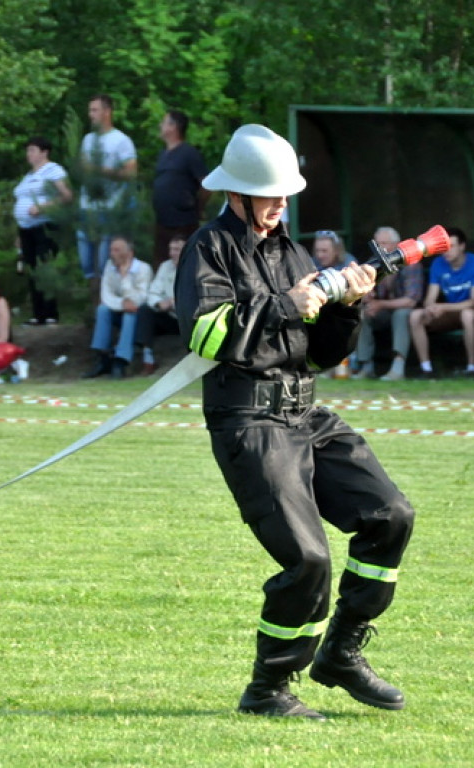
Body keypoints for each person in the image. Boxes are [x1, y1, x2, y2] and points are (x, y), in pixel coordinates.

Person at [175, 124, 415, 721]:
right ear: (237, 194)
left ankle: (341, 653)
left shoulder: (293, 251)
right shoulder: (208, 249)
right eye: (270, 195)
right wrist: (285, 305)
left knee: (390, 515)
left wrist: (349, 305)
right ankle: (268, 689)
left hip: (305, 409)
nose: (281, 205)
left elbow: (321, 353)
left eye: (286, 195)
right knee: (308, 560)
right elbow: (205, 334)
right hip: (247, 419)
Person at [76, 94, 138, 306]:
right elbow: (83, 168)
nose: (90, 115)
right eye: (90, 110)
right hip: (87, 207)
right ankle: (93, 308)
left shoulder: (121, 140)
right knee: (86, 261)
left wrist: (99, 170)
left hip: (110, 207)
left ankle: (106, 305)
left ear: (107, 111)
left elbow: (130, 173)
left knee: (105, 261)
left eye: (94, 110)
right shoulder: (88, 140)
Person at [408, 226, 474, 379]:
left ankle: (472, 368)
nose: (447, 251)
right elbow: (430, 297)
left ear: (462, 246)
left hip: (471, 312)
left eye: (452, 246)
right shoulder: (438, 263)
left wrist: (443, 307)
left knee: (468, 315)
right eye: (445, 247)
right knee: (416, 316)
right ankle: (426, 369)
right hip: (448, 312)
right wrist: (431, 307)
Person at [13, 136, 72, 326]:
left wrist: (43, 206)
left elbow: (67, 196)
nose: (28, 154)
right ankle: (38, 314)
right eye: (28, 150)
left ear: (44, 152)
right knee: (31, 268)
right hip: (26, 228)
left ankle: (50, 313)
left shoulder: (53, 171)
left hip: (44, 226)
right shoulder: (28, 176)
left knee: (44, 267)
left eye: (32, 150)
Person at [350, 227, 422, 381]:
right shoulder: (374, 262)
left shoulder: (411, 261)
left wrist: (380, 304)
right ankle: (366, 366)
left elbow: (411, 300)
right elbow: (367, 294)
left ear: (397, 244)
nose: (380, 248)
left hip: (407, 312)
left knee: (400, 315)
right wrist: (367, 296)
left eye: (384, 243)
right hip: (383, 312)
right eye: (377, 243)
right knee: (363, 312)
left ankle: (398, 368)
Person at [81, 235, 153, 379]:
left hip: (138, 315)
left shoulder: (143, 269)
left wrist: (125, 277)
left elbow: (142, 298)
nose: (112, 254)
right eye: (111, 250)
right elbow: (106, 295)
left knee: (130, 315)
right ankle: (102, 358)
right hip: (120, 309)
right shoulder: (109, 267)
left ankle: (121, 361)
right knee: (102, 310)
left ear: (129, 253)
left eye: (117, 250)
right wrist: (122, 304)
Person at [152, 110, 209, 266]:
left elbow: (207, 184)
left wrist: (198, 207)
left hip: (184, 222)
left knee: (185, 263)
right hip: (162, 222)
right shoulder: (162, 154)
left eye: (164, 122)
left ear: (173, 127)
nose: (160, 126)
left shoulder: (189, 153)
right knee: (161, 264)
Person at [134, 235, 183, 375]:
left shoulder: (197, 267)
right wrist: (159, 302)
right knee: (145, 310)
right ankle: (147, 358)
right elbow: (153, 292)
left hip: (188, 318)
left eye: (177, 249)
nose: (172, 253)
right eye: (171, 249)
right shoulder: (165, 266)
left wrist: (174, 301)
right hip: (170, 316)